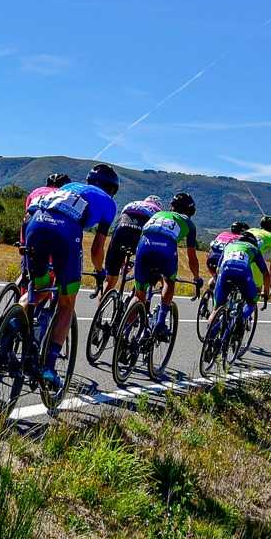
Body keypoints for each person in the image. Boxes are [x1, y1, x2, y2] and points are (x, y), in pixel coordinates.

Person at [17, 163, 118, 393]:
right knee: (66, 303)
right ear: (112, 189)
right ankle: (49, 368)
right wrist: (100, 271)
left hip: (36, 224)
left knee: (39, 290)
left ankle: (7, 336)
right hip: (66, 232)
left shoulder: (70, 186)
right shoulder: (109, 203)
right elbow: (97, 248)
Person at [134, 191, 202, 331]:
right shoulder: (189, 223)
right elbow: (192, 258)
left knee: (139, 295)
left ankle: (125, 333)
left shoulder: (157, 214)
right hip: (166, 249)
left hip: (143, 247)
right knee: (169, 282)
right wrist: (196, 277)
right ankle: (160, 322)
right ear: (190, 211)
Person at [212, 220, 271, 324]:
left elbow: (218, 269)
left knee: (216, 309)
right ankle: (239, 320)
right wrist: (266, 292)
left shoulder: (229, 246)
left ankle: (210, 335)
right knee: (252, 302)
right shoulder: (254, 248)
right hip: (243, 274)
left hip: (225, 272)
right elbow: (266, 274)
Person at [103, 193, 163, 293]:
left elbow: (122, 222)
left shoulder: (133, 203)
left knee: (110, 279)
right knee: (146, 271)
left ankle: (101, 307)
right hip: (139, 234)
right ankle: (137, 300)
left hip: (120, 231)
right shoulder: (158, 212)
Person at [246, 216, 271, 311]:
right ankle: (242, 317)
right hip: (253, 261)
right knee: (257, 291)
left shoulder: (251, 230)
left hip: (236, 256)